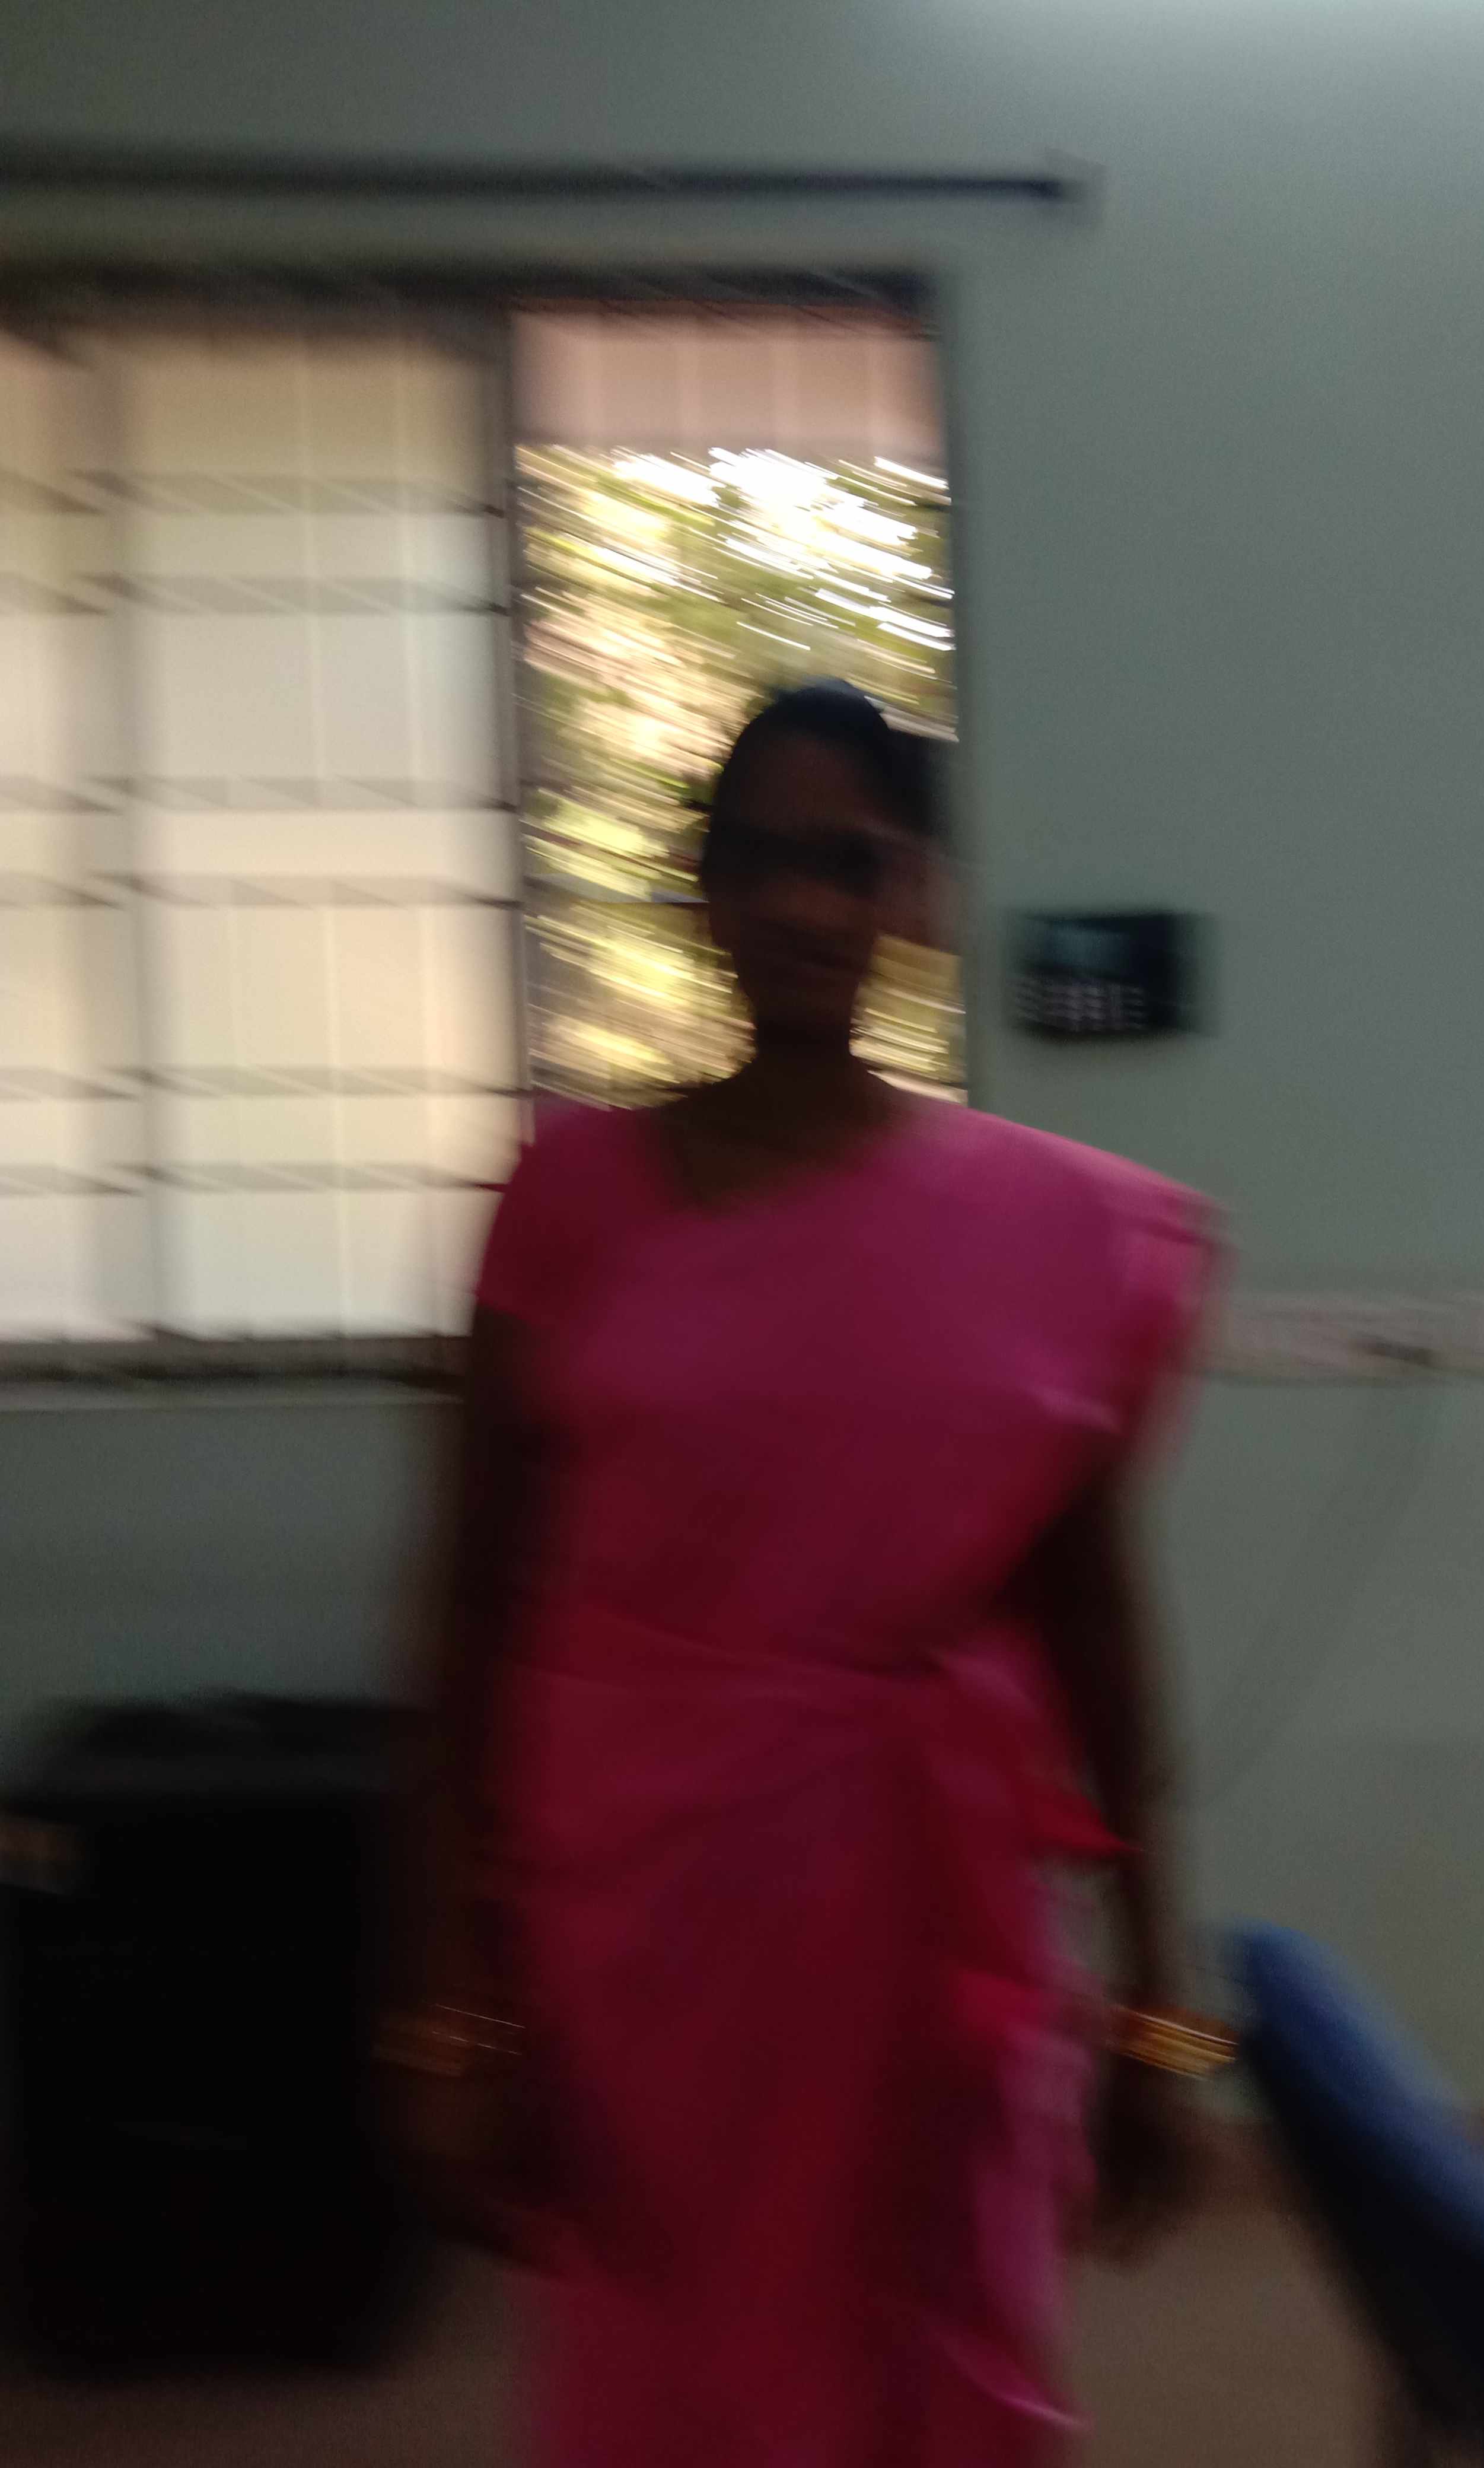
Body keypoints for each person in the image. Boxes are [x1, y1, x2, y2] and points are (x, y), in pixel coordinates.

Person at [378, 681, 1225, 2467]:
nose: (804, 905)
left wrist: (1160, 2011)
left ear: (920, 896)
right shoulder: (569, 1195)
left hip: (931, 1924)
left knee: (934, 2350)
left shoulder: (1052, 1232)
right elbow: (468, 1614)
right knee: (679, 2376)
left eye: (851, 863)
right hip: (643, 1928)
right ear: (700, 892)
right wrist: (451, 2004)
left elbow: (1095, 1629)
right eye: (759, 861)